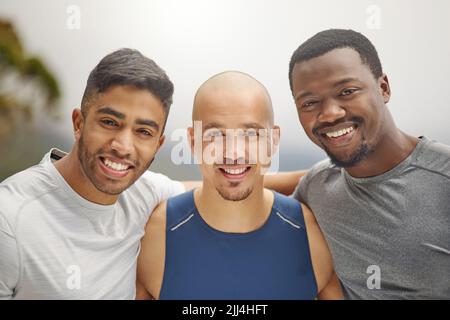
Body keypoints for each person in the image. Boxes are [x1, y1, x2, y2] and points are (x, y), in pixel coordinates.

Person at [0, 48, 196, 299]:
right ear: (79, 123)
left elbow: (217, 192)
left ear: (158, 145)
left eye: (144, 132)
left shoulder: (143, 192)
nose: (123, 146)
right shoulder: (9, 217)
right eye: (110, 122)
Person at [136, 71, 343, 300]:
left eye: (251, 133)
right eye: (215, 134)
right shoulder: (156, 235)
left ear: (273, 141)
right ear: (193, 142)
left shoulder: (311, 235)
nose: (234, 153)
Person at [276, 29, 449, 299]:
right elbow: (242, 192)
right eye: (310, 102)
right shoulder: (318, 186)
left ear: (383, 88)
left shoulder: (443, 179)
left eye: (347, 91)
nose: (330, 113)